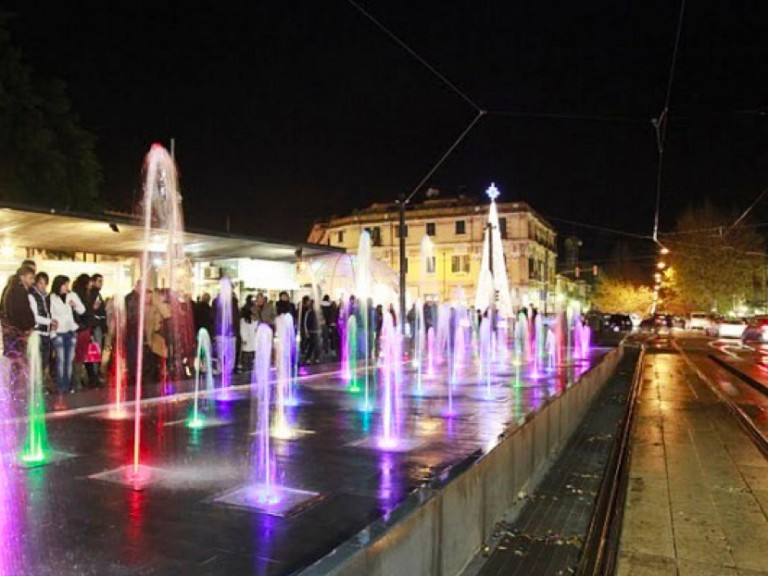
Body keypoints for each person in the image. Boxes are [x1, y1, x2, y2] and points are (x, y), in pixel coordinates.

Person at [49, 275, 86, 395]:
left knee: (69, 360)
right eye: (65, 284)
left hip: (70, 331)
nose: (66, 287)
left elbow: (82, 310)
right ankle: (61, 387)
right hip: (58, 332)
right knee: (60, 360)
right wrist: (52, 334)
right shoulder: (52, 298)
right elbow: (51, 315)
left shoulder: (72, 295)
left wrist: (74, 305)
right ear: (58, 285)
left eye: (67, 284)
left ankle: (68, 386)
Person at [1, 266, 36, 364]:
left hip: (11, 331)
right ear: (22, 277)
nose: (33, 281)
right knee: (19, 362)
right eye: (31, 278)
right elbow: (23, 311)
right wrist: (28, 326)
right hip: (18, 331)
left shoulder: (10, 289)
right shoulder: (19, 291)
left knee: (14, 360)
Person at [28, 272, 55, 392]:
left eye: (45, 283)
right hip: (37, 332)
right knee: (37, 362)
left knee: (44, 361)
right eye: (41, 283)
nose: (43, 286)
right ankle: (35, 387)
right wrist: (50, 321)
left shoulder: (47, 297)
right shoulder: (32, 296)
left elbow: (49, 312)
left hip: (46, 333)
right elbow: (36, 316)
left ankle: (39, 385)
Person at [239, 298, 258, 371]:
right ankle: (248, 368)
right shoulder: (244, 320)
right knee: (249, 356)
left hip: (250, 342)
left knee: (248, 355)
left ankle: (247, 368)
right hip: (250, 342)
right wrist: (244, 338)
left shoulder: (245, 320)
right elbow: (243, 330)